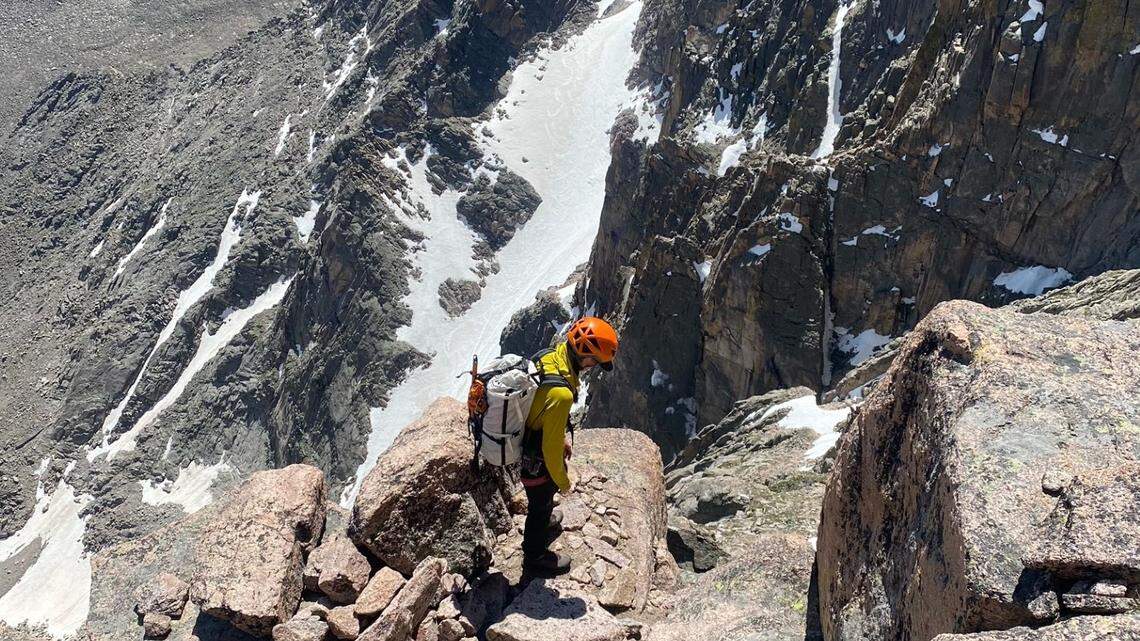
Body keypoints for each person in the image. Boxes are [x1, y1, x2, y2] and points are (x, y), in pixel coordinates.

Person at [519, 316, 619, 575]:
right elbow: (550, 453)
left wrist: (560, 434)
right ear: (586, 356)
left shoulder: (553, 356)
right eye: (595, 361)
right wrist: (564, 482)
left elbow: (543, 408)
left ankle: (545, 521)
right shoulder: (562, 393)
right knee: (539, 503)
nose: (594, 367)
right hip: (534, 457)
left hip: (530, 437)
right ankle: (535, 556)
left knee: (543, 500)